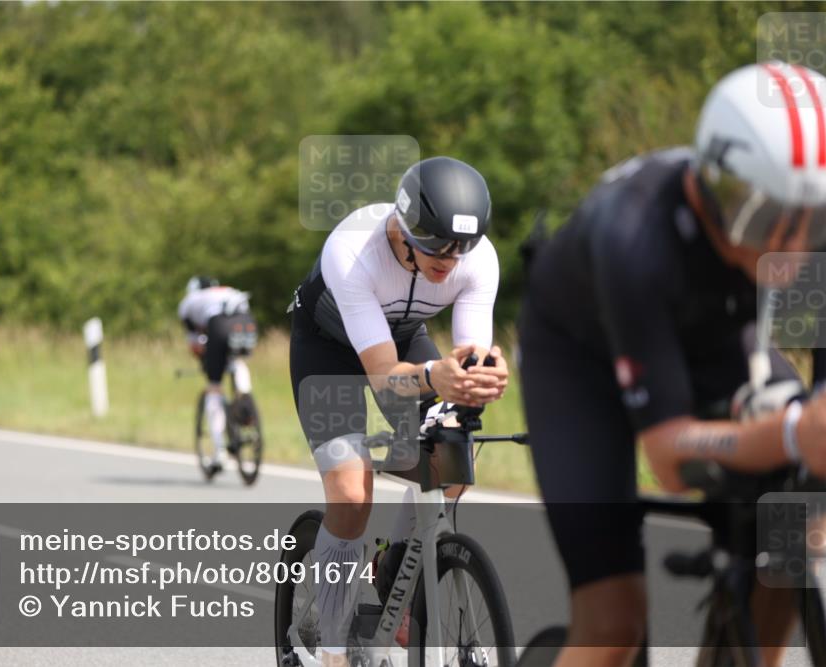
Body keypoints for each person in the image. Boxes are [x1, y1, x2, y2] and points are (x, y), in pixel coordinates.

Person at [519, 62, 826, 667]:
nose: (792, 251)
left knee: (794, 527)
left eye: (814, 224)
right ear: (718, 190)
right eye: (767, 221)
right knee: (614, 620)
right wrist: (792, 432)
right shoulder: (634, 236)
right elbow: (669, 462)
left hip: (711, 338)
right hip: (581, 364)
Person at [288, 156, 510, 665]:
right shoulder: (353, 250)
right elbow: (384, 374)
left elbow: (469, 354)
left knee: (453, 463)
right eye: (437, 245)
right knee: (350, 490)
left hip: (403, 341)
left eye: (462, 249)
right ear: (407, 225)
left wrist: (481, 377)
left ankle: (394, 576)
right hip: (329, 352)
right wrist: (437, 377)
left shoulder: (478, 259)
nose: (450, 260)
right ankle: (335, 650)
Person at [178, 276, 255, 474]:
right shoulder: (228, 290)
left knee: (214, 386)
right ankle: (244, 398)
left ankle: (219, 451)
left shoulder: (189, 302)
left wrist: (207, 362)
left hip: (219, 325)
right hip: (246, 321)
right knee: (237, 361)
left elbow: (195, 342)